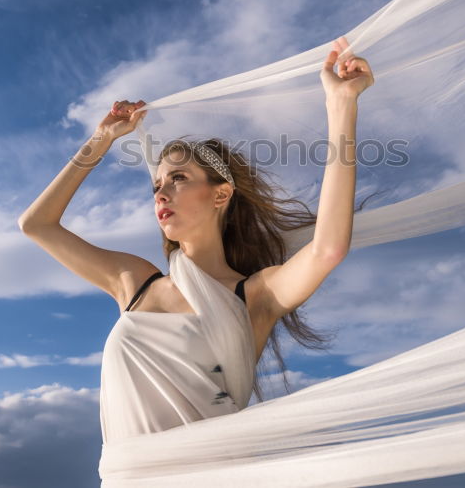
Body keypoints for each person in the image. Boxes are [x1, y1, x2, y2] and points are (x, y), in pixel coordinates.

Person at [18, 36, 375, 442]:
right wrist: (102, 139)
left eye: (178, 179)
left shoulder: (256, 296)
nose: (161, 194)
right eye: (156, 185)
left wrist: (341, 105)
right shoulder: (134, 283)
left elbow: (328, 248)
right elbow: (36, 225)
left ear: (220, 194)